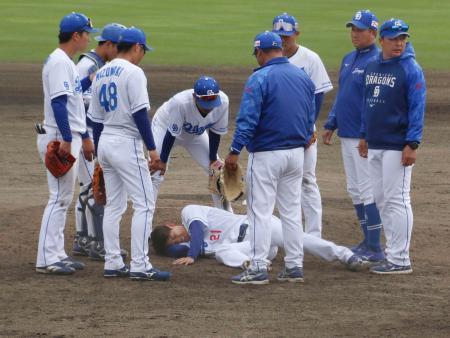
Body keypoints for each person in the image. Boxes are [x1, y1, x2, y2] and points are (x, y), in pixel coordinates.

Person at [225, 31, 315, 285]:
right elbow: (310, 115)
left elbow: (248, 119)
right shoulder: (302, 76)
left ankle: (257, 266)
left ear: (261, 52)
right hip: (296, 155)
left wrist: (234, 150)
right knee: (291, 211)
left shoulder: (260, 77)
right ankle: (294, 265)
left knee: (260, 212)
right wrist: (305, 135)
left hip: (266, 154)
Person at [88, 27, 171, 281]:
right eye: (144, 50)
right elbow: (140, 114)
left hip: (106, 142)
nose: (143, 55)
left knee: (114, 205)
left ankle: (112, 262)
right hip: (127, 142)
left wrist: (102, 155)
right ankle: (140, 264)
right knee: (144, 204)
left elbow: (96, 120)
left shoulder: (101, 72)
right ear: (137, 48)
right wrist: (153, 150)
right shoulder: (134, 72)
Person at [359, 18, 426, 274]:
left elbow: (417, 108)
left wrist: (412, 143)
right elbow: (367, 103)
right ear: (382, 40)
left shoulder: (411, 69)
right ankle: (392, 253)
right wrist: (364, 134)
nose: (399, 43)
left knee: (397, 199)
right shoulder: (372, 65)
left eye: (403, 38)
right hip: (376, 142)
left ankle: (400, 259)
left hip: (398, 144)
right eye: (394, 38)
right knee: (381, 199)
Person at [36, 12, 98, 275]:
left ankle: (56, 253)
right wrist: (66, 138)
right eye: (87, 34)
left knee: (63, 198)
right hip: (59, 137)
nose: (89, 38)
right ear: (76, 35)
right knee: (59, 198)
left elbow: (70, 97)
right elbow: (58, 104)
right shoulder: (61, 62)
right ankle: (46, 259)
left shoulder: (65, 62)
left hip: (64, 136)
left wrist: (87, 81)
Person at [322, 10, 384, 263]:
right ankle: (367, 240)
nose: (355, 34)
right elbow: (343, 95)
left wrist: (366, 133)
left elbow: (376, 103)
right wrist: (331, 122)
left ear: (373, 33)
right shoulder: (349, 59)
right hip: (347, 134)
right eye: (353, 29)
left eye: (360, 29)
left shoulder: (378, 62)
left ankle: (375, 248)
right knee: (355, 190)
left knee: (368, 190)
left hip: (363, 138)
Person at [151, 205, 366, 272]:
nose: (179, 241)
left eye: (174, 236)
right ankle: (254, 264)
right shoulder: (191, 246)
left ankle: (345, 255)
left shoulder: (189, 213)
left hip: (259, 227)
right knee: (223, 251)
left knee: (299, 239)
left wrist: (190, 255)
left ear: (171, 224)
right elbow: (175, 249)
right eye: (176, 243)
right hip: (252, 248)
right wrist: (165, 247)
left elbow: (197, 230)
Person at [272, 13, 333, 238]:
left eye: (287, 35)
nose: (283, 40)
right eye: (279, 36)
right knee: (282, 183)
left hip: (305, 131)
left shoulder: (310, 59)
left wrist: (309, 129)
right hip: (278, 132)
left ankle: (314, 235)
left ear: (296, 34)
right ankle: (292, 232)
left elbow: (318, 97)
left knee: (307, 180)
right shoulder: (269, 58)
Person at [73, 22, 127, 260]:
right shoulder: (88, 65)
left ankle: (83, 240)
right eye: (120, 47)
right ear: (109, 45)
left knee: (89, 189)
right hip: (83, 134)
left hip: (89, 134)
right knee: (93, 189)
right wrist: (87, 136)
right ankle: (95, 244)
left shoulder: (100, 65)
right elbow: (75, 100)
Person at [151, 76, 231, 211]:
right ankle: (146, 213)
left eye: (212, 102)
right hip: (165, 128)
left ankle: (227, 216)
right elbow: (171, 134)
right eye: (205, 103)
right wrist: (162, 160)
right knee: (156, 172)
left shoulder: (223, 102)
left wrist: (213, 160)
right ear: (195, 96)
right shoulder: (180, 103)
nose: (209, 108)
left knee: (217, 173)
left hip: (195, 133)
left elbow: (215, 132)